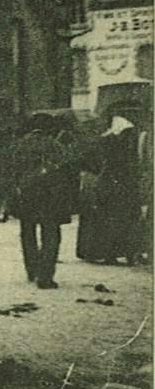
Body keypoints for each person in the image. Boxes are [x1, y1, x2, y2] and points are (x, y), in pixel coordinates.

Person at [9, 112, 78, 289]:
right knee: (50, 234)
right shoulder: (54, 145)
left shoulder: (19, 145)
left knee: (27, 232)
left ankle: (32, 270)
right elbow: (66, 170)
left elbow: (11, 171)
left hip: (26, 195)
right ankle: (45, 276)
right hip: (49, 196)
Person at [76, 116, 141, 265]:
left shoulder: (104, 141)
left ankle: (102, 252)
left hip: (106, 185)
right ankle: (115, 253)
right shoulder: (115, 144)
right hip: (114, 186)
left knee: (107, 220)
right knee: (115, 221)